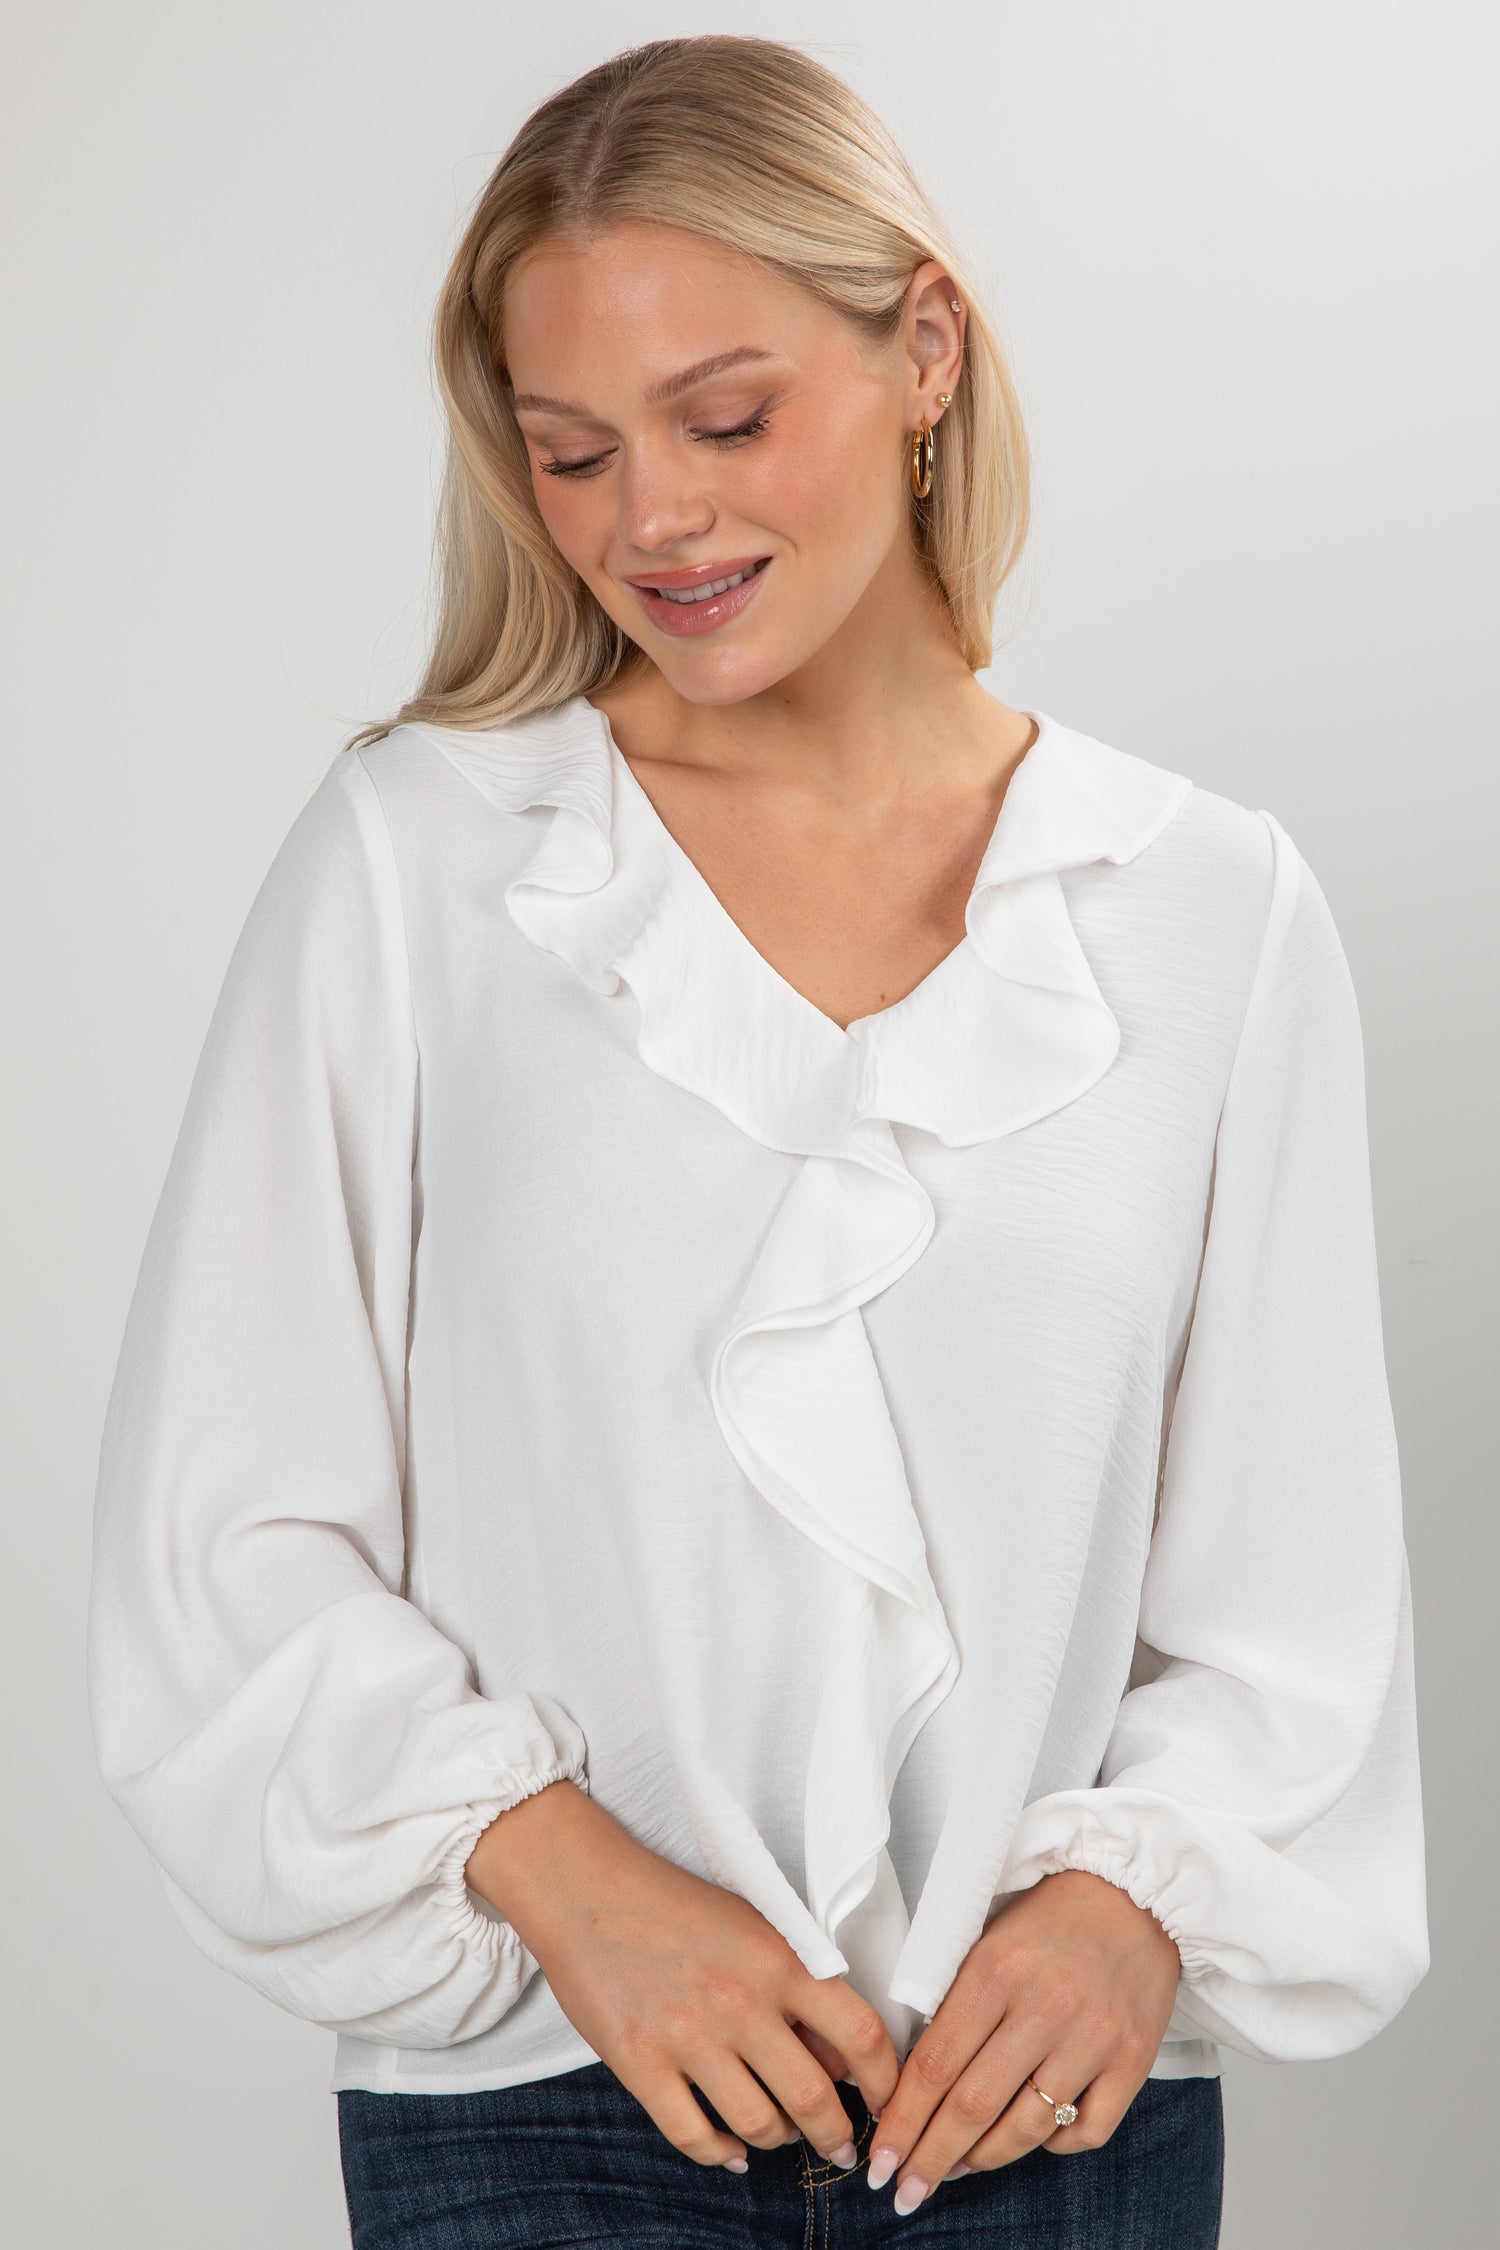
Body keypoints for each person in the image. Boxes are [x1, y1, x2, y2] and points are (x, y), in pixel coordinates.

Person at [86, 33, 1429, 2250]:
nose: (655, 525)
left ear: (923, 349)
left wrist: (1130, 1906)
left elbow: (1292, 1601)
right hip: (542, 2094)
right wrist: (567, 1880)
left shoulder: (1210, 913)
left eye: (725, 420)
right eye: (574, 454)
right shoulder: (423, 866)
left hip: (1049, 2124)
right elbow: (226, 1529)